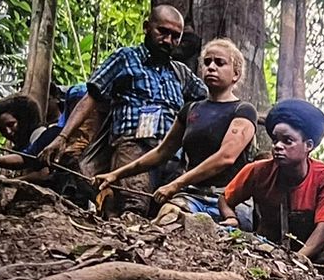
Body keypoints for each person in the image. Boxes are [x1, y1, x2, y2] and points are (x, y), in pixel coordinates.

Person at [92, 37, 259, 220]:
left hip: (231, 199)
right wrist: (115, 175)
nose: (211, 67)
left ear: (235, 74)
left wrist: (176, 184)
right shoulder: (191, 110)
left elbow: (226, 157)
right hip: (192, 196)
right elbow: (161, 152)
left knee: (221, 235)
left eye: (220, 63)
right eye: (207, 62)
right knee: (168, 218)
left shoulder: (243, 110)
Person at [44, 6, 203, 190]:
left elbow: (212, 98)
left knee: (167, 213)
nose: (168, 40)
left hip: (172, 156)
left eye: (176, 36)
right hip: (133, 147)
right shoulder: (125, 58)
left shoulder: (180, 72)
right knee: (133, 205)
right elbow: (91, 96)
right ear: (147, 27)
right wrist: (63, 137)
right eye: (163, 32)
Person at [218, 100, 324, 268]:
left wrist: (295, 261)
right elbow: (225, 198)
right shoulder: (257, 172)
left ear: (309, 145)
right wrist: (231, 218)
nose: (277, 146)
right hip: (267, 250)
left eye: (287, 141)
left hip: (313, 258)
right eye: (275, 140)